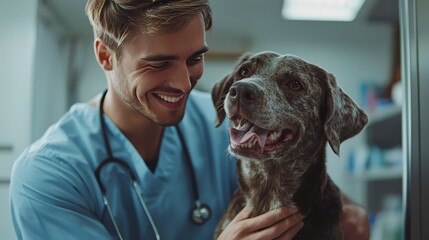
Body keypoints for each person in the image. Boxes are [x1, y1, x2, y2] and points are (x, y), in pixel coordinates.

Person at [9, 0, 370, 239]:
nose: (184, 84)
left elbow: (302, 171)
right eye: (159, 63)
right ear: (105, 55)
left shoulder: (217, 123)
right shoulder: (46, 177)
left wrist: (350, 212)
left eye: (194, 59)